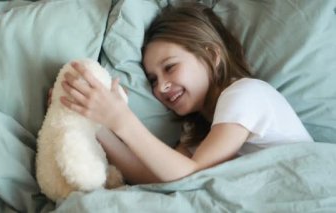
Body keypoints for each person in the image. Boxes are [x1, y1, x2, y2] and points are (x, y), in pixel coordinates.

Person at [59, 3, 313, 184]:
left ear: (212, 56)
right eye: (153, 80)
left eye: (170, 67)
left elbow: (193, 174)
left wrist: (121, 119)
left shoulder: (245, 94)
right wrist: (98, 126)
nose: (161, 87)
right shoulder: (198, 131)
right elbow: (155, 176)